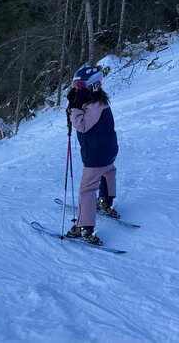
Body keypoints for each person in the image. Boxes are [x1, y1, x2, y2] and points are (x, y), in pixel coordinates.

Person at [65, 65, 120, 245]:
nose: (77, 90)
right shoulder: (99, 101)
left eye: (80, 87)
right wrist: (76, 102)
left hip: (96, 156)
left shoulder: (94, 105)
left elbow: (82, 125)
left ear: (93, 85)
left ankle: (84, 227)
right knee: (108, 171)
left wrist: (74, 107)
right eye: (75, 87)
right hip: (108, 151)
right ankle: (106, 200)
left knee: (87, 189)